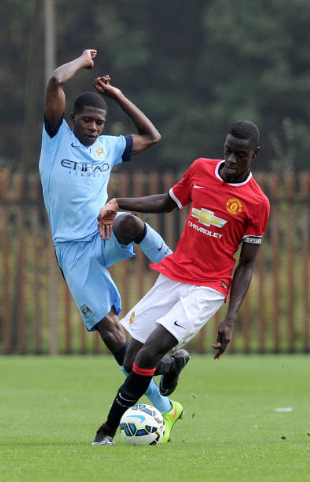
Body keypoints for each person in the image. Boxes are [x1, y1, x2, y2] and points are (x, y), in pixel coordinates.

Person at [93, 119, 271, 445]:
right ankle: (173, 363)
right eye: (228, 151)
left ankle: (107, 430)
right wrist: (119, 203)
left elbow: (246, 265)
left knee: (145, 358)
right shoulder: (201, 170)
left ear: (255, 155)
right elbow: (168, 201)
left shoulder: (257, 203)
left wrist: (230, 318)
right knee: (132, 361)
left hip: (208, 289)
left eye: (240, 155)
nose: (231, 159)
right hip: (174, 276)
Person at [39, 49, 184, 444]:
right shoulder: (56, 139)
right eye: (86, 120)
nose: (92, 126)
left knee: (129, 221)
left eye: (98, 122)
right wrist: (82, 62)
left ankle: (174, 269)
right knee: (111, 334)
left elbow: (152, 136)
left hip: (100, 234)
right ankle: (165, 402)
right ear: (72, 120)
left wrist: (118, 96)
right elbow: (54, 82)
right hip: (71, 251)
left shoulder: (108, 147)